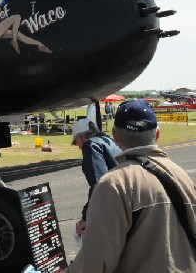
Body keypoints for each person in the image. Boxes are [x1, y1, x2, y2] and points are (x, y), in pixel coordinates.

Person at [67, 100, 196, 272]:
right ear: (157, 134)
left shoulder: (114, 183)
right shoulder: (183, 176)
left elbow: (94, 263)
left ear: (115, 135)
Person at [71, 118, 121, 238]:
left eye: (76, 141)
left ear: (80, 136)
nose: (78, 146)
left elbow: (99, 186)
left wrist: (86, 217)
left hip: (112, 207)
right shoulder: (110, 140)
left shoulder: (91, 145)